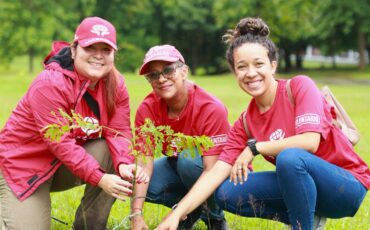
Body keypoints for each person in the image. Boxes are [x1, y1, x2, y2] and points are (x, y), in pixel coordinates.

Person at [155, 17, 370, 230]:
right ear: (234, 71)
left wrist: (255, 148)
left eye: (259, 64)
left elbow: (310, 141)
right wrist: (177, 214)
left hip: (346, 186)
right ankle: (305, 217)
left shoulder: (298, 87)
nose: (251, 73)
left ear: (273, 65)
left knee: (290, 157)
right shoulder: (246, 122)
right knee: (225, 192)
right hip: (304, 185)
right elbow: (214, 173)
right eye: (242, 66)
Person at [0, 16, 148, 230]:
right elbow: (60, 144)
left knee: (113, 153)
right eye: (90, 48)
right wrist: (100, 178)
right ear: (74, 49)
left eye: (106, 50)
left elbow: (119, 131)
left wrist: (124, 163)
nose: (98, 56)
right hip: (21, 167)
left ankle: (89, 227)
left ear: (114, 54)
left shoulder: (115, 84)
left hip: (60, 165)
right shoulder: (49, 83)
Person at [131, 45, 230, 230]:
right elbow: (144, 163)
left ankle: (214, 217)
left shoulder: (210, 107)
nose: (161, 79)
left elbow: (211, 169)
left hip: (217, 170)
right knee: (134, 178)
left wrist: (176, 212)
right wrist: (136, 214)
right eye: (153, 75)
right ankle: (191, 211)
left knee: (188, 159)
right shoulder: (147, 108)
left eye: (168, 70)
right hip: (177, 165)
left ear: (184, 71)